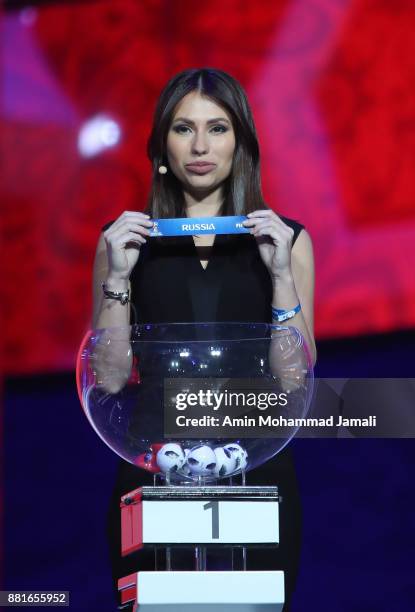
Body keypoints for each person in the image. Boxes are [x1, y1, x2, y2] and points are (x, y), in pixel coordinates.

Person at [91, 68, 316, 611]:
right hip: (151, 465)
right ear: (161, 144)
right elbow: (111, 377)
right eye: (182, 128)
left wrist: (282, 276)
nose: (199, 146)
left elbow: (294, 381)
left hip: (258, 466)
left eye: (217, 128)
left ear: (240, 141)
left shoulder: (287, 239)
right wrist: (117, 279)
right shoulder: (123, 241)